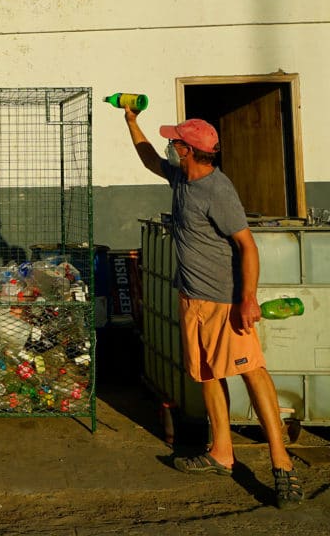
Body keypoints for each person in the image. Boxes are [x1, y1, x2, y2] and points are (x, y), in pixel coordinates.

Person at [122, 110, 303, 509]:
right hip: (191, 298)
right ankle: (222, 452)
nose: (170, 146)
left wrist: (248, 298)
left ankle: (282, 463)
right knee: (207, 374)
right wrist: (130, 120)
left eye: (175, 142)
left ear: (187, 150)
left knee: (252, 372)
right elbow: (150, 158)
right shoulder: (181, 178)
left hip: (223, 301)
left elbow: (247, 245)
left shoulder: (218, 191)